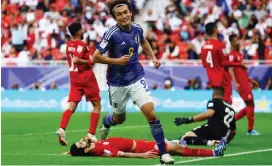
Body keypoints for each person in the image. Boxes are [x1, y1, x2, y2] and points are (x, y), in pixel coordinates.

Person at [91, 0, 174, 164]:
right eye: (119, 14)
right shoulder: (111, 34)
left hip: (136, 77)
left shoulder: (138, 28)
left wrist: (153, 57)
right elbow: (95, 56)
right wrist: (116, 61)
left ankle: (163, 154)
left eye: (125, 12)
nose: (123, 16)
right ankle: (107, 122)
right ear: (115, 17)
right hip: (117, 83)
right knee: (119, 119)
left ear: (130, 12)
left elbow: (143, 41)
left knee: (151, 113)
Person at [56, 23, 128, 146]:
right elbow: (76, 60)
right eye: (82, 29)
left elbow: (73, 60)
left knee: (72, 106)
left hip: (74, 78)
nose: (83, 31)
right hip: (86, 77)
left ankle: (62, 128)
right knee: (97, 105)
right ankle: (91, 134)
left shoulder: (69, 45)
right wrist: (89, 61)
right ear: (78, 32)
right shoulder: (81, 44)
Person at [69, 137, 227, 160]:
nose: (82, 140)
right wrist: (142, 155)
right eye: (81, 143)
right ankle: (214, 152)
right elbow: (121, 154)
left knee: (177, 145)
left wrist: (70, 151)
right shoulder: (100, 151)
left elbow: (77, 150)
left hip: (142, 142)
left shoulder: (95, 144)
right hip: (142, 148)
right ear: (85, 150)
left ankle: (177, 142)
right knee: (178, 149)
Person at [200, 22, 246, 104]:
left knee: (217, 103)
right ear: (215, 30)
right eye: (217, 28)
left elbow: (204, 64)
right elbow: (224, 63)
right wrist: (239, 64)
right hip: (223, 79)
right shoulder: (219, 45)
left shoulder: (204, 46)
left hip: (212, 79)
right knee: (227, 104)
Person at [228, 34, 260, 135]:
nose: (238, 42)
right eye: (235, 40)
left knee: (250, 105)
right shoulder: (232, 54)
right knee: (250, 104)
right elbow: (230, 70)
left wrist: (250, 81)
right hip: (241, 84)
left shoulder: (240, 54)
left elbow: (242, 73)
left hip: (245, 83)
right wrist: (235, 83)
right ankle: (250, 130)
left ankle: (231, 121)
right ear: (232, 43)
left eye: (238, 40)